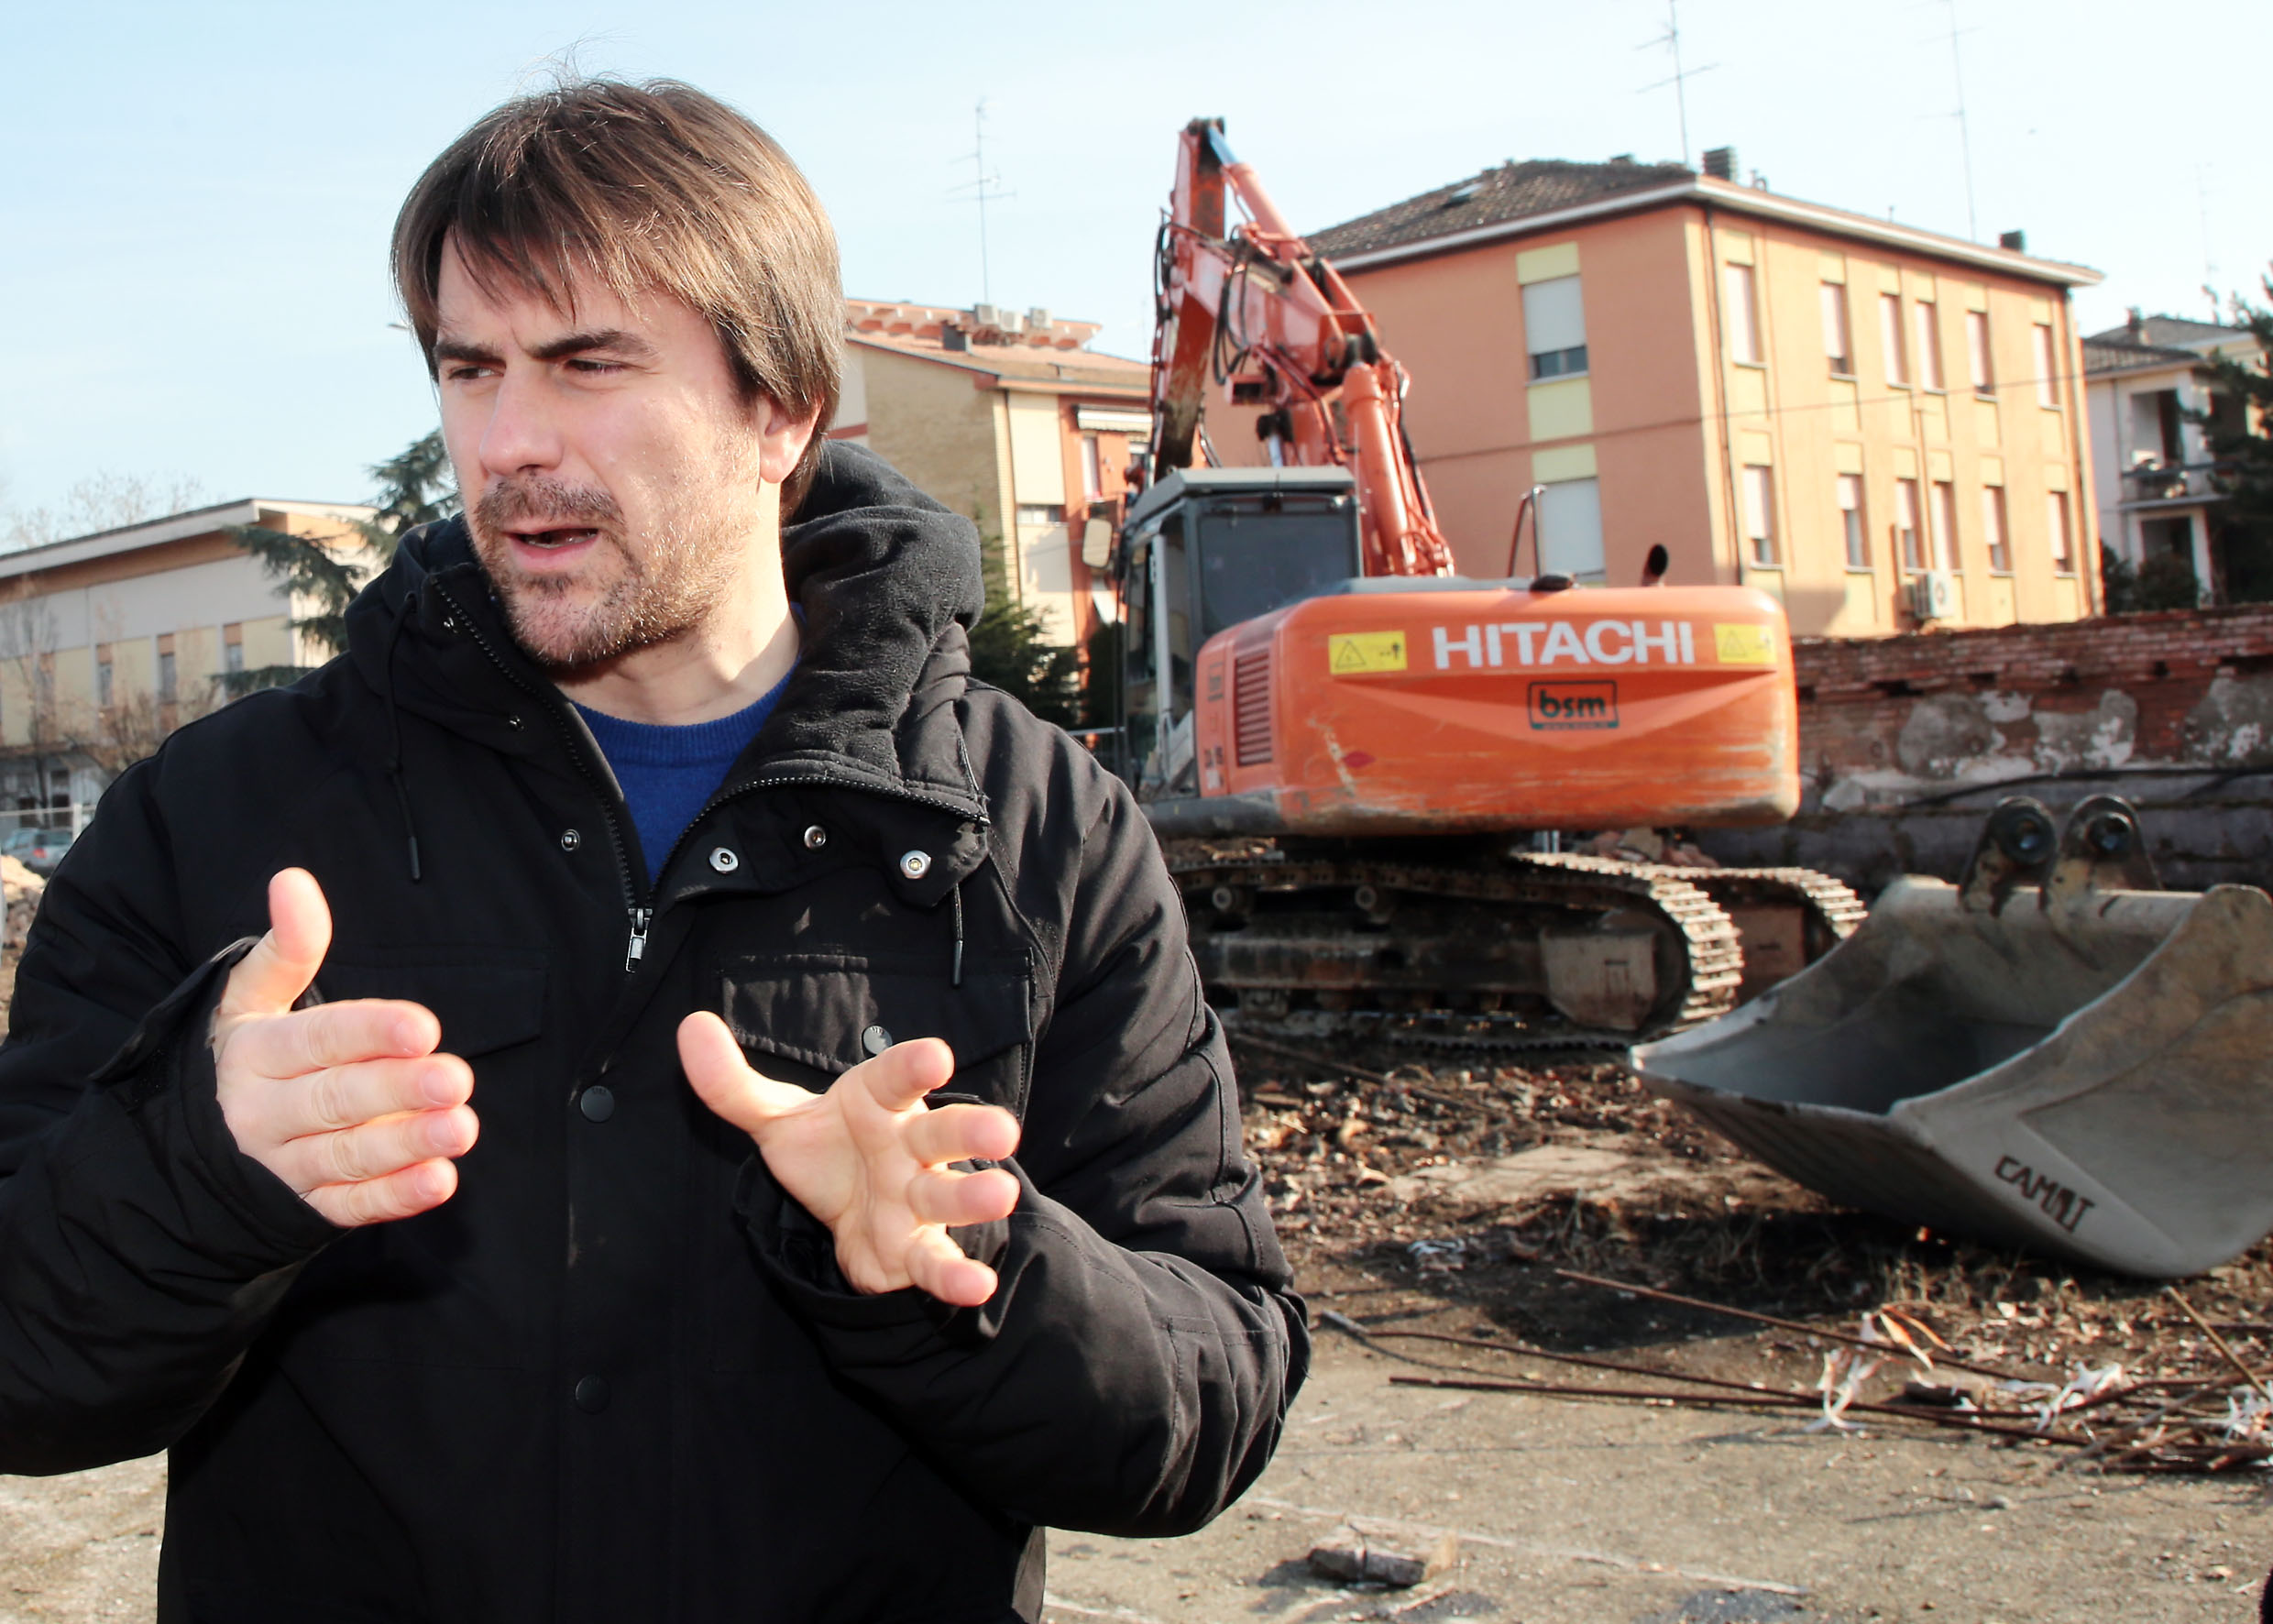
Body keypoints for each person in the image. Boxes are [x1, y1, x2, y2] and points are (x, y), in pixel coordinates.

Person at [0, 78, 1306, 1623]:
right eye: (469, 369)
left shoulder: (1034, 831)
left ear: (784, 411)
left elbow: (1215, 1394)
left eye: (588, 363)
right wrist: (191, 1177)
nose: (507, 442)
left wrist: (975, 1272)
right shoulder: (220, 818)